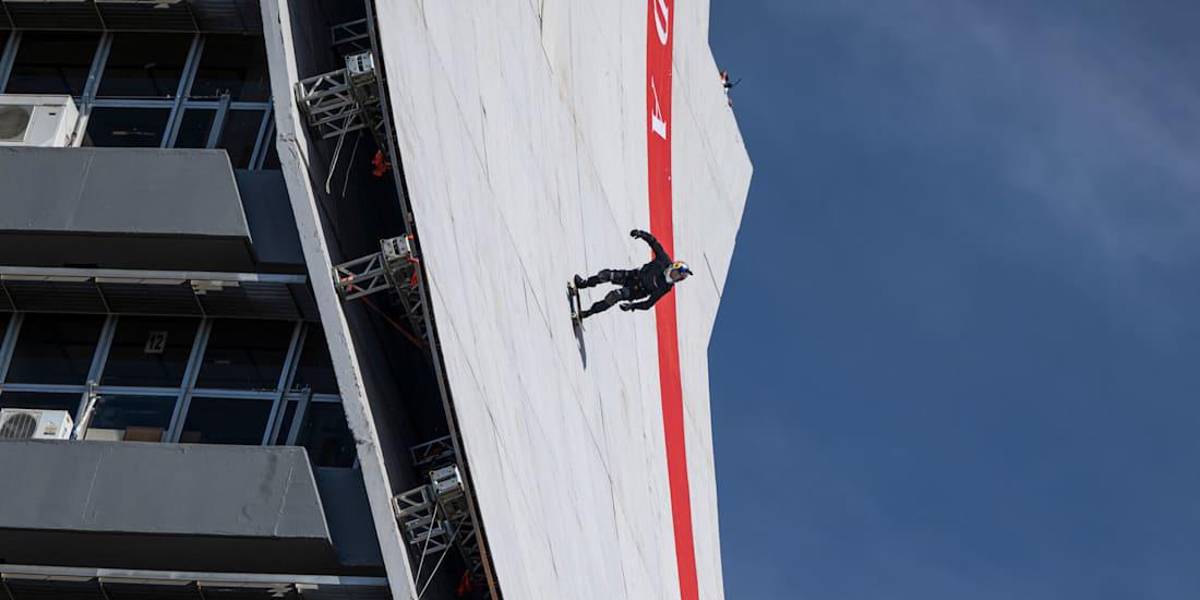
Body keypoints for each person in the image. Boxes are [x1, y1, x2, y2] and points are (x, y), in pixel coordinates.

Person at [574, 229, 692, 319]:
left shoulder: (666, 287)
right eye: (676, 274)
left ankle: (588, 313)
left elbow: (648, 304)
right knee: (606, 275)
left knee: (614, 296)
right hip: (633, 275)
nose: (675, 277)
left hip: (637, 291)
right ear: (673, 267)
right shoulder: (663, 260)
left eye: (678, 278)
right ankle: (584, 283)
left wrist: (632, 306)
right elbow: (653, 242)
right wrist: (641, 234)